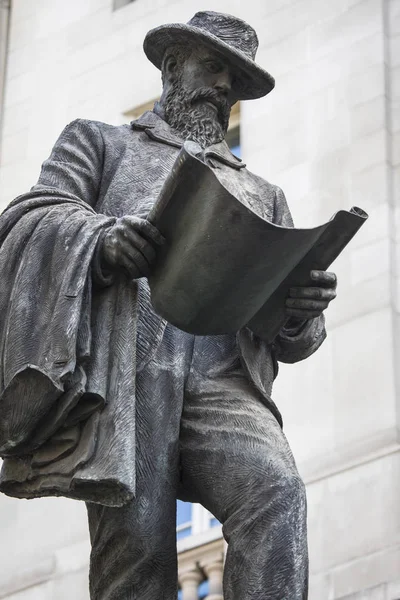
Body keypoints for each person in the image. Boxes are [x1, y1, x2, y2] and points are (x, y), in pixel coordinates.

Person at [0, 11, 337, 600]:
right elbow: (32, 220)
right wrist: (101, 240)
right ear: (174, 65)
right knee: (135, 555)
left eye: (235, 77)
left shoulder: (264, 193)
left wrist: (303, 310)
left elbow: (296, 339)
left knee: (276, 490)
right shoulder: (100, 142)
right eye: (214, 66)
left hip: (223, 380)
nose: (224, 87)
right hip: (128, 371)